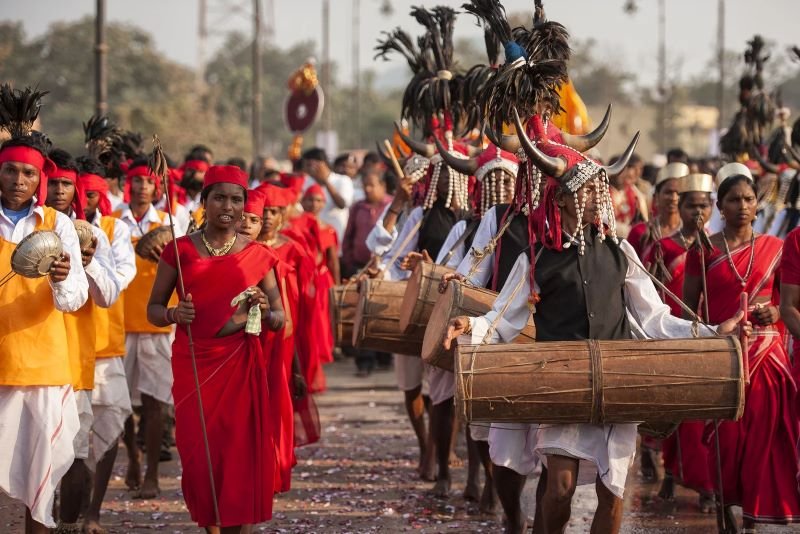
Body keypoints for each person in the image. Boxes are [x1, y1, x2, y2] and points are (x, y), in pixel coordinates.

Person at [444, 112, 746, 534]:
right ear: (562, 198)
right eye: (585, 190)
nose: (595, 197)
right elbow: (503, 318)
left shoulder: (620, 250)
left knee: (612, 492)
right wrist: (469, 327)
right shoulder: (536, 257)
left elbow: (655, 317)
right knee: (560, 488)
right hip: (561, 380)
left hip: (619, 379)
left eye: (596, 190)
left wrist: (714, 332)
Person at [148, 165, 285, 532]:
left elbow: (280, 319)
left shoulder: (259, 256)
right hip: (194, 363)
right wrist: (175, 312)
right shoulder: (179, 251)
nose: (228, 205)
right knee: (200, 456)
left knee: (238, 453)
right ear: (204, 201)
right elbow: (154, 310)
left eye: (236, 199)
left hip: (240, 363)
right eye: (220, 197)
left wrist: (264, 307)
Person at [684, 173, 800, 531]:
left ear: (757, 204)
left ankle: (753, 516)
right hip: (723, 353)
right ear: (720, 206)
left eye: (749, 199)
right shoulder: (702, 248)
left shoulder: (775, 246)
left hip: (767, 353)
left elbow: (788, 302)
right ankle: (726, 504)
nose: (743, 206)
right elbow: (686, 310)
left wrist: (776, 312)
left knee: (764, 439)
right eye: (734, 199)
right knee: (727, 440)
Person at [0, 86, 88, 532]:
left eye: (28, 175)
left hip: (42, 366)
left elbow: (75, 298)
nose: (19, 181)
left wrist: (60, 279)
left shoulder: (59, 226)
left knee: (40, 484)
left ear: (41, 180)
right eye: (10, 172)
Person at [46, 150, 123, 533]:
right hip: (21, 361)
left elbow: (109, 295)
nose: (58, 190)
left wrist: (87, 262)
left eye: (66, 184)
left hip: (74, 360)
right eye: (54, 182)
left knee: (75, 456)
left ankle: (69, 524)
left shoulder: (90, 234)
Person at [112, 158, 184, 498]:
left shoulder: (170, 224)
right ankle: (133, 457)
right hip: (120, 322)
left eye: (148, 181)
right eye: (136, 180)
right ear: (128, 184)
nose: (142, 186)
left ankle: (153, 473)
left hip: (158, 325)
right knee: (124, 401)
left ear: (158, 187)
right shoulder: (113, 223)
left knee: (156, 403)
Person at [645, 173, 715, 511]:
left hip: (712, 336)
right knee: (674, 408)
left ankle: (707, 484)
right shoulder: (664, 246)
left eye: (703, 205)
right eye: (691, 206)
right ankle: (671, 474)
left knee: (705, 414)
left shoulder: (717, 247)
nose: (697, 212)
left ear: (712, 208)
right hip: (672, 334)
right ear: (681, 208)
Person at [77, 157, 138, 534]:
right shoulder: (52, 226)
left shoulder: (115, 230)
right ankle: (68, 508)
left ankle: (93, 512)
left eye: (92, 193)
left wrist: (87, 258)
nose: (85, 199)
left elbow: (119, 282)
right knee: (67, 434)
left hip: (105, 343)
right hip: (62, 347)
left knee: (110, 424)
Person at [341, 171, 393, 376]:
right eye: (365, 185)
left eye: (372, 185)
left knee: (381, 313)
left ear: (382, 186)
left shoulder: (392, 206)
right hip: (359, 267)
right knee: (360, 314)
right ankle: (364, 361)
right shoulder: (358, 207)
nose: (367, 189)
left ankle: (384, 356)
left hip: (383, 270)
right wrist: (348, 260)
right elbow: (349, 235)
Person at [626, 162, 688, 263]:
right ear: (656, 197)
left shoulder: (692, 233)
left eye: (679, 193)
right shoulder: (639, 232)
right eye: (668, 192)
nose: (674, 198)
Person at [301, 147, 354, 244]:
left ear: (321, 164)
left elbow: (342, 204)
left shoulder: (342, 180)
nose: (306, 169)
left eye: (309, 165)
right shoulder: (307, 182)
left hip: (337, 237)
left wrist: (325, 181)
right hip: (312, 239)